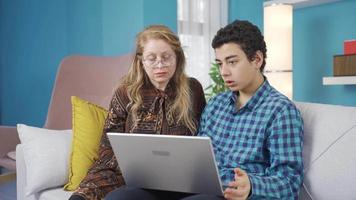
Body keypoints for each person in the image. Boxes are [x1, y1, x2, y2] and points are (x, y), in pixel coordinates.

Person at [69, 25, 206, 200]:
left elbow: (204, 137)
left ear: (177, 58)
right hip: (133, 180)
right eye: (152, 58)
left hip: (183, 181)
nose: (160, 65)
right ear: (141, 60)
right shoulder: (125, 91)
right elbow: (108, 146)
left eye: (166, 57)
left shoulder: (193, 89)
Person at [197, 20, 304, 199]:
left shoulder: (281, 111)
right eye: (220, 63)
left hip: (237, 196)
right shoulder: (215, 105)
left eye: (232, 62)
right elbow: (198, 159)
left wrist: (252, 186)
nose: (223, 71)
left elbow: (289, 182)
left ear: (257, 59)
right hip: (204, 187)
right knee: (135, 193)